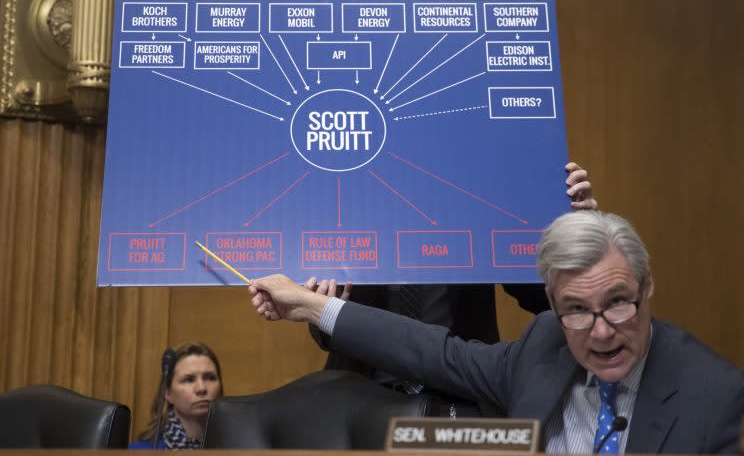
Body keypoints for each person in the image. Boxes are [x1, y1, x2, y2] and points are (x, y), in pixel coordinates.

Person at [249, 211, 744, 454]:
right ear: (551, 307)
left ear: (648, 285)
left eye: (617, 304)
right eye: (576, 310)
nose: (601, 333)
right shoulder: (543, 349)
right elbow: (428, 352)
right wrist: (314, 307)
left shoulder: (716, 398)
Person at [306, 162, 596, 414]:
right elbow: (325, 323)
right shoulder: (351, 198)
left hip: (462, 393)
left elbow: (544, 296)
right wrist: (318, 302)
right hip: (358, 393)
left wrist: (573, 234)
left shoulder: (477, 195)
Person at [129, 342, 223, 450]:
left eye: (210, 377)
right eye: (189, 379)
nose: (201, 388)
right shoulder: (136, 451)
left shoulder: (240, 449)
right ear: (168, 393)